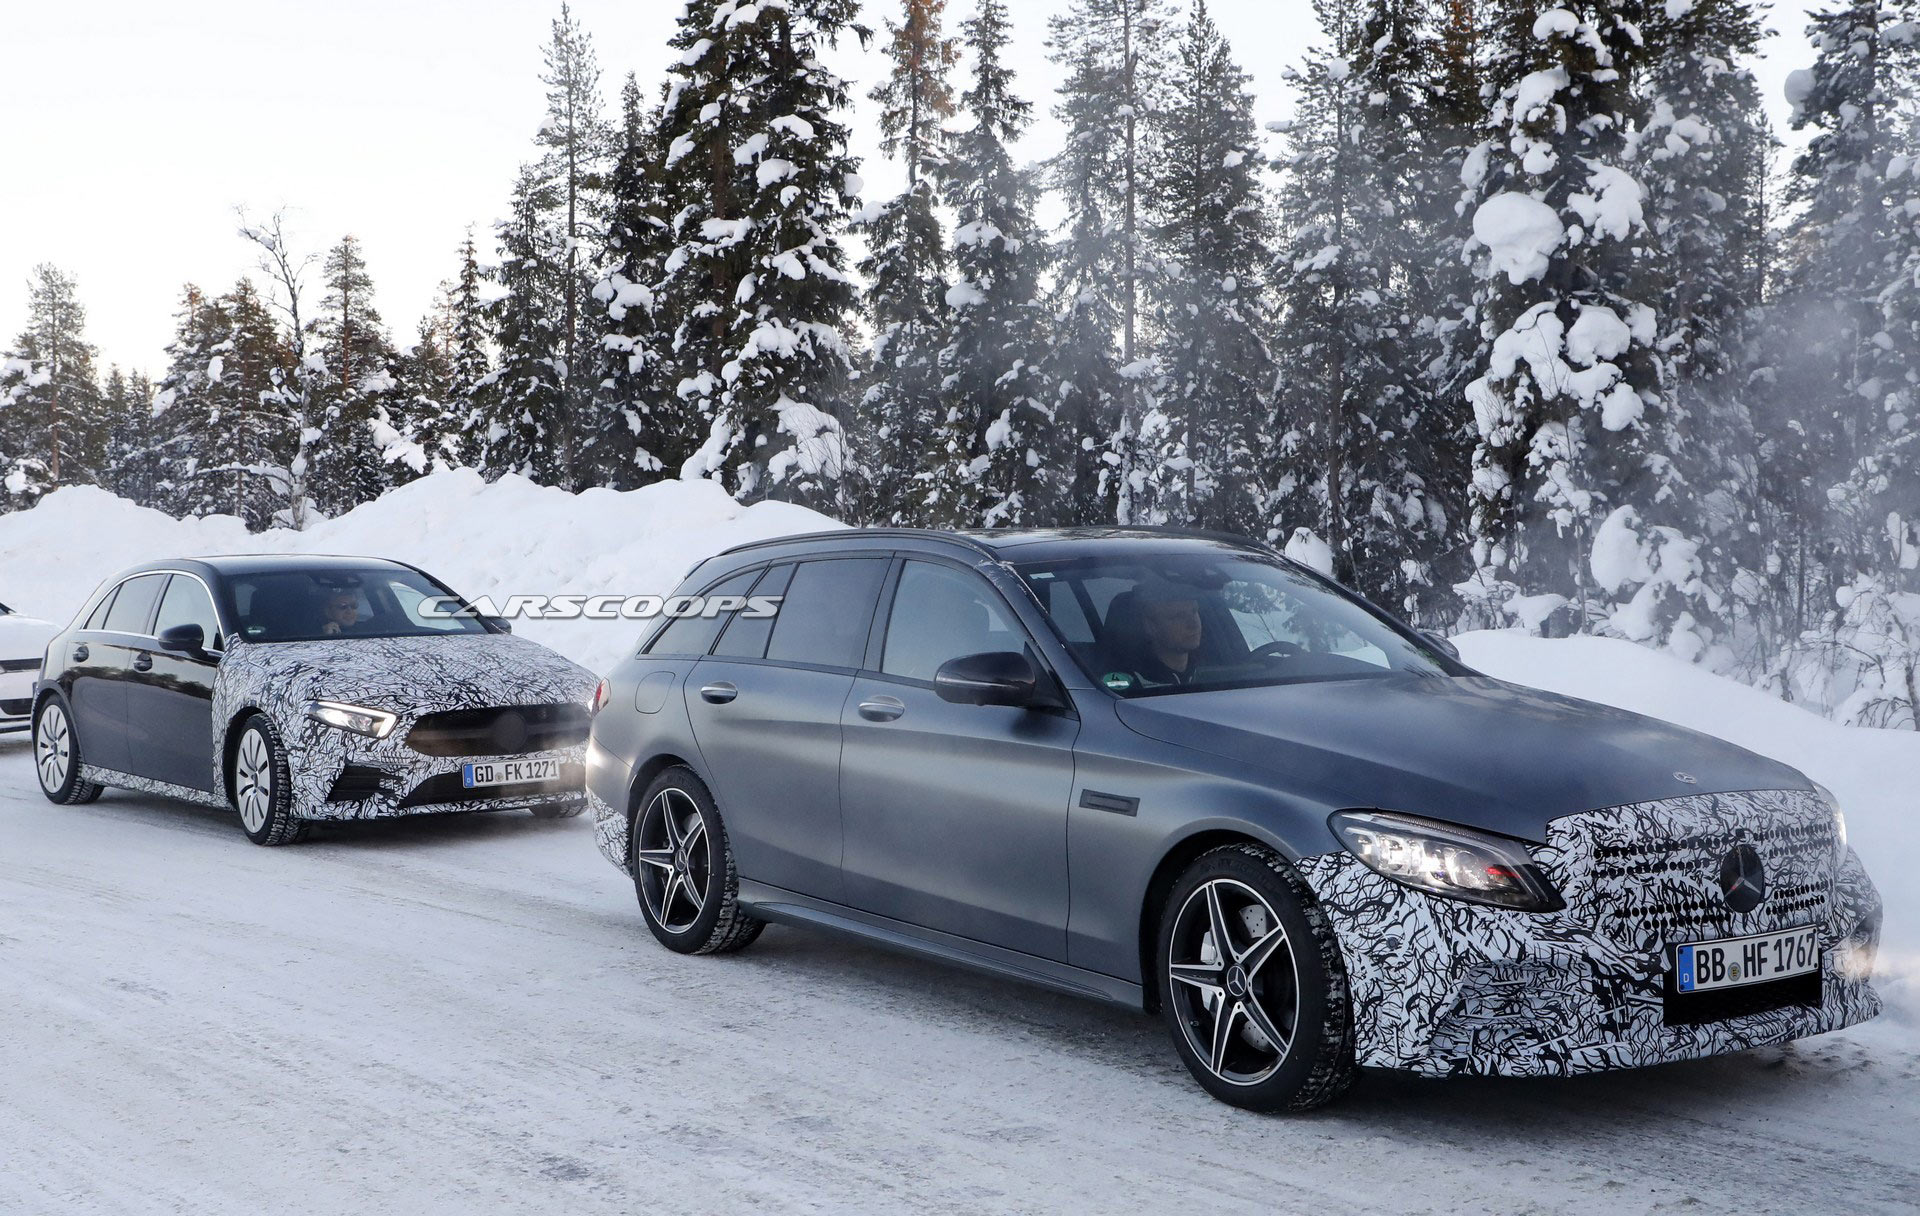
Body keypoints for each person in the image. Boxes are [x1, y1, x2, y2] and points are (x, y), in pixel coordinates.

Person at [1112, 577, 1206, 687]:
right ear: (1150, 626)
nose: (1193, 624)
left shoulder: (1221, 670)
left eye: (1194, 611)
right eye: (1179, 616)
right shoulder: (1128, 686)